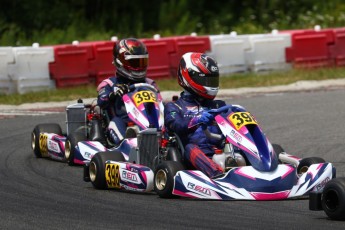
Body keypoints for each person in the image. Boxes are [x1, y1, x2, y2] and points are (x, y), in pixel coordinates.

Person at [164, 52, 229, 178]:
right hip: (193, 156)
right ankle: (218, 176)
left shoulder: (218, 105)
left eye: (212, 80)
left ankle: (265, 163)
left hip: (222, 151)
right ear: (189, 77)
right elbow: (176, 125)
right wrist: (197, 120)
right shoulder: (175, 107)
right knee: (190, 148)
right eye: (206, 80)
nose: (210, 84)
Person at [97, 38, 159, 146]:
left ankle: (162, 141)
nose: (139, 67)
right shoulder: (109, 84)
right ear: (120, 62)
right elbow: (102, 101)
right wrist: (113, 95)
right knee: (116, 122)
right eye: (135, 63)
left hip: (148, 122)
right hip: (124, 122)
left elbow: (158, 104)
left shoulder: (150, 84)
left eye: (141, 62)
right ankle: (126, 145)